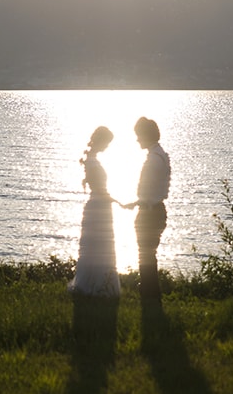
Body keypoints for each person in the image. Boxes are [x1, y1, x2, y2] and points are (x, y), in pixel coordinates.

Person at [68, 126, 121, 298]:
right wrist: (119, 202)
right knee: (99, 247)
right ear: (100, 141)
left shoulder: (91, 160)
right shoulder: (92, 162)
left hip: (99, 205)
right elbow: (100, 189)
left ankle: (97, 284)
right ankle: (98, 286)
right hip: (99, 207)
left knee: (96, 247)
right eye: (106, 143)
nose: (107, 147)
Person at [123, 117, 171, 300]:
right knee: (149, 253)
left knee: (145, 254)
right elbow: (154, 190)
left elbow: (148, 191)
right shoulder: (161, 155)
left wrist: (138, 203)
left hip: (149, 213)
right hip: (156, 210)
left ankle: (149, 292)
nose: (137, 140)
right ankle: (150, 290)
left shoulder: (153, 159)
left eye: (138, 136)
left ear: (145, 135)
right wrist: (137, 202)